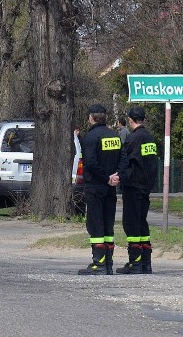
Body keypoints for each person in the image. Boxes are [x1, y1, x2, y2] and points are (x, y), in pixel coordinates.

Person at [113, 106, 158, 274]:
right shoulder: (150, 138)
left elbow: (124, 160)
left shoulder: (133, 139)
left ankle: (135, 262)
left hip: (133, 186)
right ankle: (146, 262)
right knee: (141, 222)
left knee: (131, 223)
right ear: (144, 119)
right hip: (146, 187)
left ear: (130, 120)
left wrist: (119, 177)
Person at [77, 104, 121, 275]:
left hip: (96, 186)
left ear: (91, 118)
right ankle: (108, 263)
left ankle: (99, 263)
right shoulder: (115, 136)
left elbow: (91, 163)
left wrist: (105, 178)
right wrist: (116, 176)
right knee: (108, 224)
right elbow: (123, 159)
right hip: (111, 188)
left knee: (95, 225)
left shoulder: (90, 137)